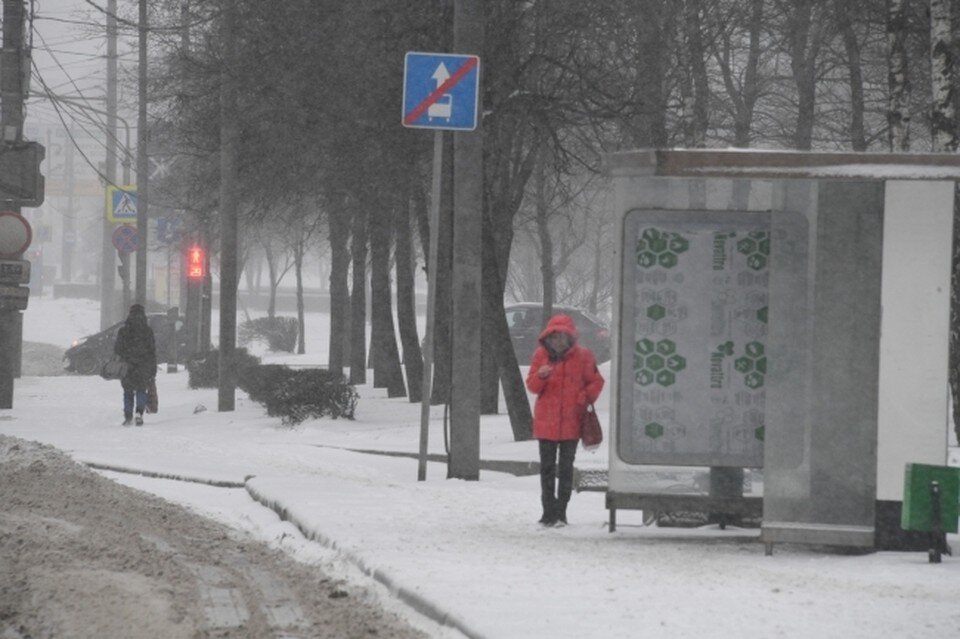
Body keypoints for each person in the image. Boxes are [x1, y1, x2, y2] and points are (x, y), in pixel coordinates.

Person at [525, 313, 604, 527]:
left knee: (566, 468)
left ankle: (562, 511)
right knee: (547, 469)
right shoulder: (540, 355)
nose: (558, 341)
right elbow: (532, 386)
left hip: (572, 421)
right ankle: (548, 511)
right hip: (546, 422)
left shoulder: (584, 356)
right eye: (554, 336)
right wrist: (540, 376)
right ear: (547, 338)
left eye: (562, 336)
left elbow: (596, 381)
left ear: (571, 338)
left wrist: (583, 397)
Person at [114, 304, 157, 426]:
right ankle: (139, 413)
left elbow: (117, 349)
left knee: (128, 391)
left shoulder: (123, 330)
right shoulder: (147, 331)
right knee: (141, 390)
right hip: (143, 365)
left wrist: (126, 355)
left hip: (128, 366)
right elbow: (152, 350)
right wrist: (152, 369)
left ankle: (128, 416)